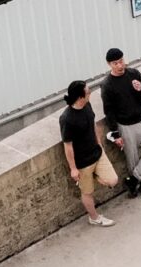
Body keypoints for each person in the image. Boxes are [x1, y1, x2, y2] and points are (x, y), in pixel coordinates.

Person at [101, 49, 141, 199]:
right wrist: (115, 133)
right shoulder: (107, 85)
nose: (120, 65)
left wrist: (140, 89)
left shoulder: (133, 73)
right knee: (132, 160)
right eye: (116, 63)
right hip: (125, 126)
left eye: (121, 61)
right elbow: (109, 111)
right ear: (109, 64)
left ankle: (133, 180)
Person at [59, 80, 117, 228]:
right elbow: (68, 146)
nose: (90, 93)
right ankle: (94, 217)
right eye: (88, 92)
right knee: (87, 192)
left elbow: (93, 124)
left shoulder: (87, 105)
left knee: (112, 180)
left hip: (97, 153)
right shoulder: (67, 119)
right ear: (80, 97)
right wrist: (73, 168)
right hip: (83, 162)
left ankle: (94, 176)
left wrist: (99, 143)